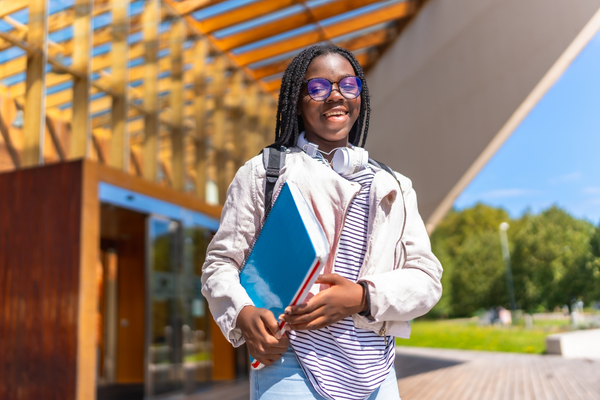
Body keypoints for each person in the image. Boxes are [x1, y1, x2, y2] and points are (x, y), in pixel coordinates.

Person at [201, 44, 443, 400]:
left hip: (376, 372)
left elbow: (426, 279)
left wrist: (362, 296)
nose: (335, 96)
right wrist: (243, 314)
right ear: (298, 100)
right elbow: (220, 265)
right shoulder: (263, 173)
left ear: (360, 96)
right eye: (317, 88)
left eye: (348, 85)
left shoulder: (393, 185)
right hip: (288, 365)